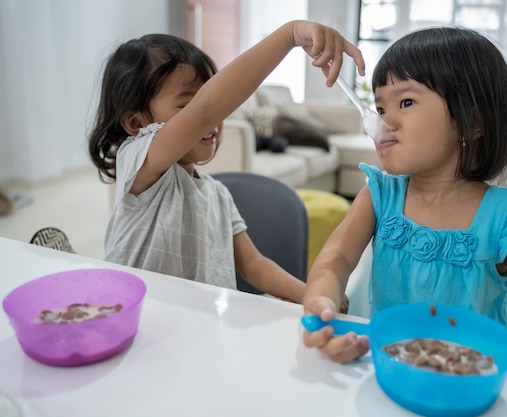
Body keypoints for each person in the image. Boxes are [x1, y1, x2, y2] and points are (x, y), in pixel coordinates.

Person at [301, 26, 507, 416]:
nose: (383, 121)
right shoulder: (380, 195)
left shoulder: (506, 216)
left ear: (472, 123)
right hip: (385, 377)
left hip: (472, 391)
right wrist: (322, 296)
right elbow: (337, 256)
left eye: (405, 102)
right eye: (381, 107)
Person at [88, 20, 364, 306]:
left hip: (199, 331)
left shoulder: (217, 194)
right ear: (136, 123)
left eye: (204, 100)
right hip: (136, 325)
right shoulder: (138, 162)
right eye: (186, 107)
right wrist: (290, 35)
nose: (214, 120)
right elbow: (207, 108)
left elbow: (255, 266)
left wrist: (312, 293)